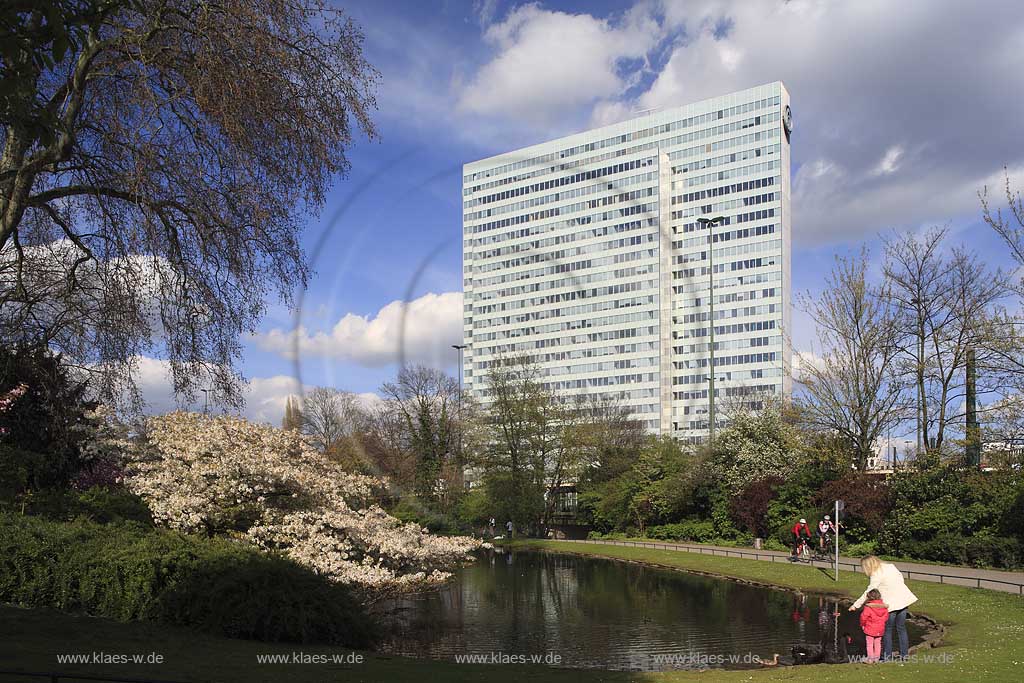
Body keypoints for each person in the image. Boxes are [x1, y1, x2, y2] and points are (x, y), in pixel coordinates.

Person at [848, 555, 918, 661]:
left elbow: (869, 592)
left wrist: (855, 605)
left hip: (890, 605)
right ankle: (904, 655)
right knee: (901, 629)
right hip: (903, 601)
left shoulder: (876, 574)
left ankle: (887, 656)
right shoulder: (891, 566)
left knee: (887, 630)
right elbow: (900, 579)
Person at [858, 589, 888, 663]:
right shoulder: (884, 607)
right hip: (880, 628)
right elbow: (886, 617)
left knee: (870, 644)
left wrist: (862, 624)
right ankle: (876, 659)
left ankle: (870, 659)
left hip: (870, 628)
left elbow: (863, 617)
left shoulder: (868, 607)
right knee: (878, 643)